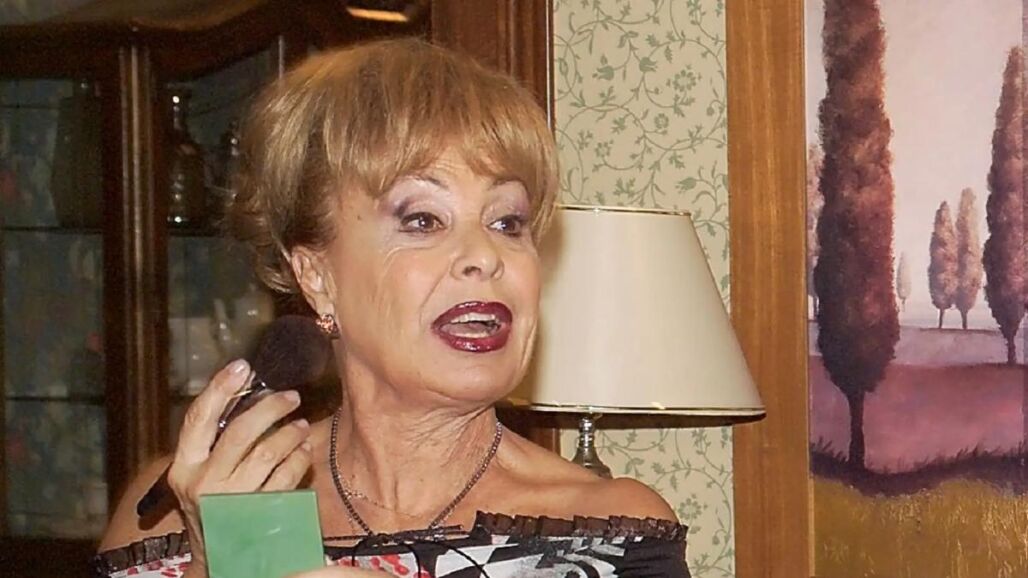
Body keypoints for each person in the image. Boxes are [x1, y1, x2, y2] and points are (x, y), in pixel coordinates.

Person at [95, 38, 690, 577]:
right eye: (423, 220)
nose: (485, 256)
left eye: (507, 222)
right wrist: (217, 561)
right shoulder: (179, 517)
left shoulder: (613, 535)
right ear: (315, 274)